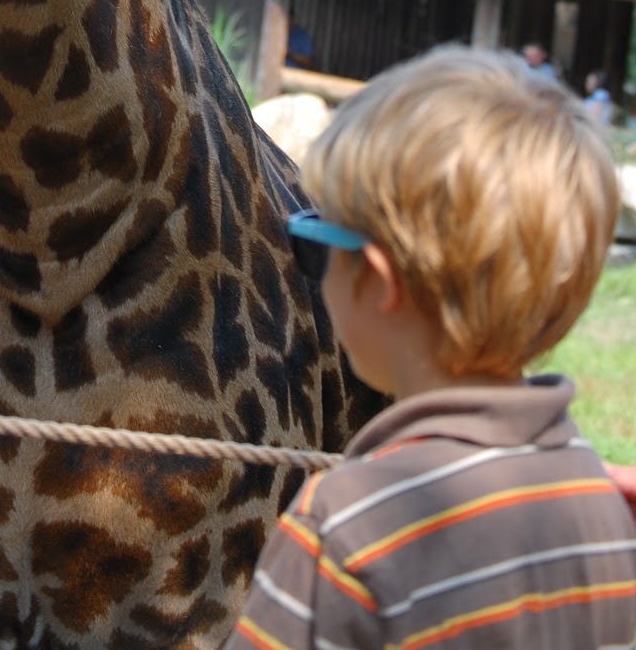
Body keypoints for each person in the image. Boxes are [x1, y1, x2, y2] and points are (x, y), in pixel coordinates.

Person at [226, 46, 636, 650]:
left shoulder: (346, 527)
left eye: (315, 241)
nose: (309, 267)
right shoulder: (600, 506)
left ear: (381, 282)